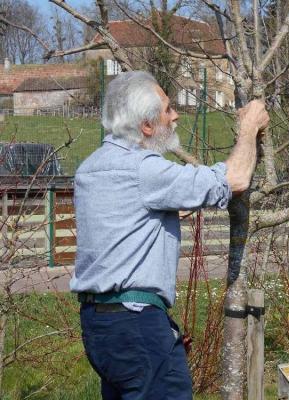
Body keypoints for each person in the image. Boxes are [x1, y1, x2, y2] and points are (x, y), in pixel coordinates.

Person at [70, 70, 269, 400]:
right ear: (147, 125)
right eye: (167, 109)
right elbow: (235, 180)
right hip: (136, 326)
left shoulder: (90, 169)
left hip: (100, 328)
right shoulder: (144, 169)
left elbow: (126, 221)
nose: (175, 115)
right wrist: (248, 129)